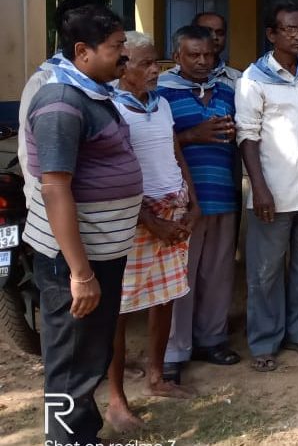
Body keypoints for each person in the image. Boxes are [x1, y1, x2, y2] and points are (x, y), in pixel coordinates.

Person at [23, 3, 143, 443]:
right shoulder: (60, 102)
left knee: (88, 354)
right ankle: (64, 439)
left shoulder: (90, 92)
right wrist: (80, 273)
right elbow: (55, 189)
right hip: (73, 260)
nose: (124, 57)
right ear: (82, 51)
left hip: (100, 253)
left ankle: (82, 434)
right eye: (115, 48)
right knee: (70, 360)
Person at [106, 32, 201, 430]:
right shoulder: (110, 108)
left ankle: (157, 376)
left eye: (156, 63)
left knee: (165, 297)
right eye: (144, 64)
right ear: (121, 65)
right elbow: (111, 172)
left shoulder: (160, 104)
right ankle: (115, 400)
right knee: (121, 308)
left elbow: (173, 150)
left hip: (173, 208)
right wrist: (149, 220)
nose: (154, 71)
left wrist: (192, 199)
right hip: (136, 217)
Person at [236, 3, 298, 372]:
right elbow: (248, 136)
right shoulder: (253, 80)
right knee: (266, 272)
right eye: (290, 29)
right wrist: (258, 189)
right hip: (272, 194)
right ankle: (264, 341)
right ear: (271, 34)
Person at [158, 26, 242, 381]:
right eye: (194, 55)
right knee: (181, 276)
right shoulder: (161, 94)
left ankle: (211, 339)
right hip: (183, 201)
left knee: (219, 272)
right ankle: (174, 351)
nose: (203, 61)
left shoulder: (227, 90)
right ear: (177, 56)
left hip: (223, 193)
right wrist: (193, 135)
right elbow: (153, 142)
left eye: (208, 54)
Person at [18, 0, 108, 206]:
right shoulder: (46, 81)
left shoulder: (107, 80)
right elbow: (30, 153)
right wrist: (39, 204)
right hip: (67, 209)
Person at [191, 12, 242, 88]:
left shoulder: (239, 79)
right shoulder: (169, 80)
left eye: (220, 33)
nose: (214, 37)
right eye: (207, 31)